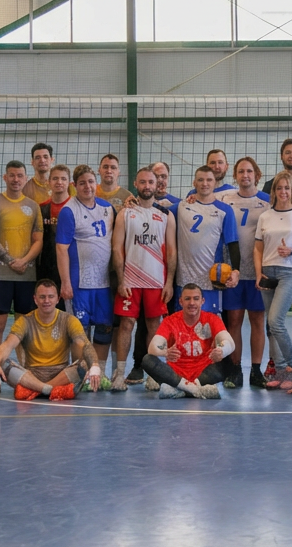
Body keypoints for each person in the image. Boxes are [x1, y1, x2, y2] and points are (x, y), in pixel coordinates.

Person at [111, 167, 176, 391]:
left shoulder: (166, 215)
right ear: (135, 184)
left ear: (157, 185)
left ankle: (153, 375)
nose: (147, 186)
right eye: (142, 182)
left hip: (156, 281)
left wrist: (169, 282)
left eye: (151, 182)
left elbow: (172, 251)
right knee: (126, 325)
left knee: (154, 326)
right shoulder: (125, 213)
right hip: (130, 280)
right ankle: (119, 375)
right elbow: (117, 249)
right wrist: (121, 280)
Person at [0, 160, 44, 389]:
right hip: (0, 273)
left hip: (26, 275)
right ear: (5, 178)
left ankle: (25, 371)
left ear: (25, 178)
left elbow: (38, 240)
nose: (16, 179)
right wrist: (9, 261)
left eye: (20, 176)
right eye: (12, 175)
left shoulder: (33, 206)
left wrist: (24, 261)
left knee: (24, 325)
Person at [0, 278, 100, 401]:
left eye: (51, 297)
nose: (46, 301)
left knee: (85, 364)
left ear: (58, 299)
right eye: (42, 297)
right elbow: (8, 344)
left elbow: (84, 344)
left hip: (61, 374)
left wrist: (94, 365)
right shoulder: (25, 321)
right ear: (35, 299)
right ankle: (51, 390)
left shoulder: (69, 320)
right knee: (2, 363)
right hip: (32, 375)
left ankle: (35, 390)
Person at [254, 169, 292, 390]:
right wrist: (258, 273)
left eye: (287, 188)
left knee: (275, 321)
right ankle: (280, 371)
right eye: (279, 188)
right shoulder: (265, 216)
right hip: (267, 271)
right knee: (271, 326)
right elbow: (258, 248)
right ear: (274, 191)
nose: (283, 191)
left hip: (289, 271)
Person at [56, 164, 115, 390]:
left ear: (96, 183)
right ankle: (81, 374)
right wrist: (65, 283)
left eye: (91, 181)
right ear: (74, 185)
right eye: (82, 183)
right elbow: (61, 249)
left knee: (104, 328)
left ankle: (100, 373)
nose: (87, 186)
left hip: (103, 283)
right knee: (80, 332)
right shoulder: (69, 211)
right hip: (79, 283)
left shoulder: (107, 208)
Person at [218, 157, 270, 388]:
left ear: (256, 175)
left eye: (249, 171)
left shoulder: (267, 201)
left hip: (258, 271)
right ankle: (235, 369)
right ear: (235, 175)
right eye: (241, 171)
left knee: (258, 320)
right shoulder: (224, 199)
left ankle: (256, 371)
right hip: (233, 272)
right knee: (234, 321)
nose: (245, 175)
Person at [142, 283, 235, 398]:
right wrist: (165, 352)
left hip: (203, 372)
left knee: (228, 359)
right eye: (187, 299)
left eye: (196, 299)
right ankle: (192, 389)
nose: (192, 303)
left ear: (202, 301)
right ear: (181, 302)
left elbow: (230, 342)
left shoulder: (212, 319)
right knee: (147, 360)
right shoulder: (170, 321)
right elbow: (152, 347)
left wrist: (221, 350)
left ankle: (181, 389)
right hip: (176, 373)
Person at [175, 165, 240, 314]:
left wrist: (236, 270)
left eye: (209, 180)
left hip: (211, 280)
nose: (205, 183)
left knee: (209, 324)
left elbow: (233, 244)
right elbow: (159, 208)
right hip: (184, 280)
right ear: (194, 183)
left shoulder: (224, 210)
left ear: (215, 183)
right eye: (200, 180)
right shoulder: (182, 206)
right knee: (183, 324)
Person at [37, 163, 72, 289]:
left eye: (63, 179)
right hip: (47, 266)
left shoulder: (76, 208)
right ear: (49, 182)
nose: (59, 182)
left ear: (69, 182)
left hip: (71, 265)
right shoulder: (41, 208)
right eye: (55, 178)